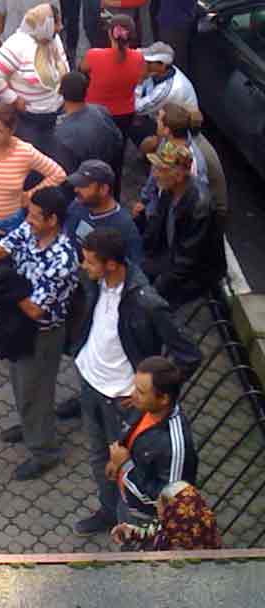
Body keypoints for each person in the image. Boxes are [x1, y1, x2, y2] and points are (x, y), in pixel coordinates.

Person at [72, 228, 201, 535]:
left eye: (90, 262)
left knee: (125, 465)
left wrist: (150, 391)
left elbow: (188, 354)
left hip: (120, 399)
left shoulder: (147, 303)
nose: (84, 267)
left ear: (112, 265)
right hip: (90, 383)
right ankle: (107, 512)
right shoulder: (97, 282)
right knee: (98, 456)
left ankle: (126, 529)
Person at [0, 187, 79, 480]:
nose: (27, 220)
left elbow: (35, 310)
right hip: (16, 324)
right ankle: (29, 425)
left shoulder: (63, 258)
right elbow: (2, 247)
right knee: (19, 381)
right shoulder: (30, 231)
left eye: (34, 216)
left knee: (36, 391)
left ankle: (45, 451)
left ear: (52, 220)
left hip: (41, 333)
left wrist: (8, 286)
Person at [0, 102, 66, 342]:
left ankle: (3, 315)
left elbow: (57, 173)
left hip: (12, 226)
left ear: (12, 130)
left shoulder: (24, 152)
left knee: (8, 274)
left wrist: (30, 195)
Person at [106, 356, 198, 526]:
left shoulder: (175, 445)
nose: (133, 394)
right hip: (127, 499)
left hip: (144, 519)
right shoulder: (144, 406)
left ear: (163, 399)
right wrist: (115, 461)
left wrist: (124, 466)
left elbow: (167, 500)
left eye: (141, 391)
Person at [142, 140, 224, 309]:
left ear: (178, 176)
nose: (155, 174)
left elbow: (187, 261)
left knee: (152, 304)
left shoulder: (200, 206)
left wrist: (156, 289)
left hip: (196, 272)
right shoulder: (168, 189)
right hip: (171, 255)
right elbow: (156, 227)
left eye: (160, 169)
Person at [0, 3, 69, 155]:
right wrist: (13, 99)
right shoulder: (16, 44)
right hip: (29, 120)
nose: (60, 27)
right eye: (56, 22)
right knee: (32, 160)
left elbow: (62, 62)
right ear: (44, 24)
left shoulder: (53, 38)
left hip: (57, 114)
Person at [81, 16, 145, 164]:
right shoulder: (139, 58)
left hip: (95, 113)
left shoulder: (93, 55)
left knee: (94, 155)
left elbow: (82, 68)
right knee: (118, 155)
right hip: (124, 114)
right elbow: (140, 80)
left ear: (110, 33)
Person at [65, 160, 143, 268]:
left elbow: (132, 269)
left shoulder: (124, 227)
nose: (76, 189)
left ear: (103, 189)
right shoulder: (78, 204)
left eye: (83, 185)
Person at [111, 481, 222, 551]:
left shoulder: (177, 553)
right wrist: (132, 531)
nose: (158, 513)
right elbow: (159, 530)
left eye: (161, 509)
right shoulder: (183, 526)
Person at [53, 72, 123, 178]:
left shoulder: (61, 133)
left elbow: (66, 170)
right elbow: (118, 140)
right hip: (106, 173)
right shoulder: (101, 111)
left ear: (60, 92)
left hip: (84, 182)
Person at [132, 42, 198, 145]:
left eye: (149, 62)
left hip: (176, 128)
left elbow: (137, 108)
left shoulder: (166, 90)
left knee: (133, 129)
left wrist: (139, 82)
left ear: (162, 65)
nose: (144, 63)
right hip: (161, 111)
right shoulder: (159, 70)